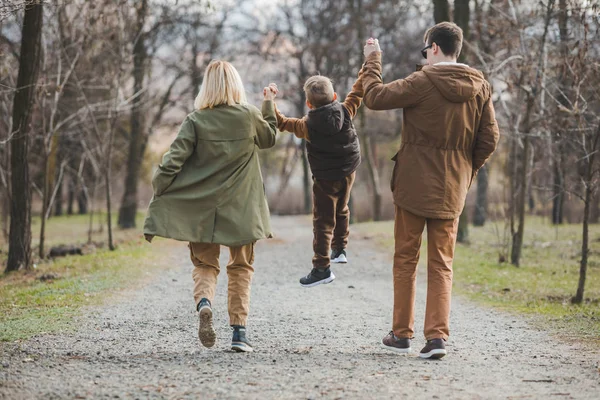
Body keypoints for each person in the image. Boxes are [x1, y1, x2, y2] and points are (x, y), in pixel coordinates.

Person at [362, 23, 499, 359]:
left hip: (412, 185)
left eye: (425, 50)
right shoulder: (480, 86)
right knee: (442, 264)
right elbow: (490, 139)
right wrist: (466, 171)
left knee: (406, 260)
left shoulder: (423, 81)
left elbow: (374, 97)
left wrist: (372, 60)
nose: (424, 56)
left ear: (434, 48)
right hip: (452, 188)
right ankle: (436, 338)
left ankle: (401, 333)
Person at [143, 60, 278, 353]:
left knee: (205, 264)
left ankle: (204, 302)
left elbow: (172, 161)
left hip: (203, 210)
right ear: (236, 85)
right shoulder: (249, 116)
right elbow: (269, 138)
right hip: (242, 209)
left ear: (208, 87)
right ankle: (239, 334)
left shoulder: (196, 120)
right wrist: (268, 104)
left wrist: (161, 190)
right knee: (241, 266)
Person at [268, 68, 363, 287]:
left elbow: (281, 122)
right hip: (348, 171)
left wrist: (270, 101)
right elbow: (357, 92)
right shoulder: (346, 110)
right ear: (335, 97)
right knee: (343, 208)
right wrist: (368, 65)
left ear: (309, 105)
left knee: (323, 221)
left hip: (325, 179)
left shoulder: (306, 126)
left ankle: (322, 268)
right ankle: (340, 249)